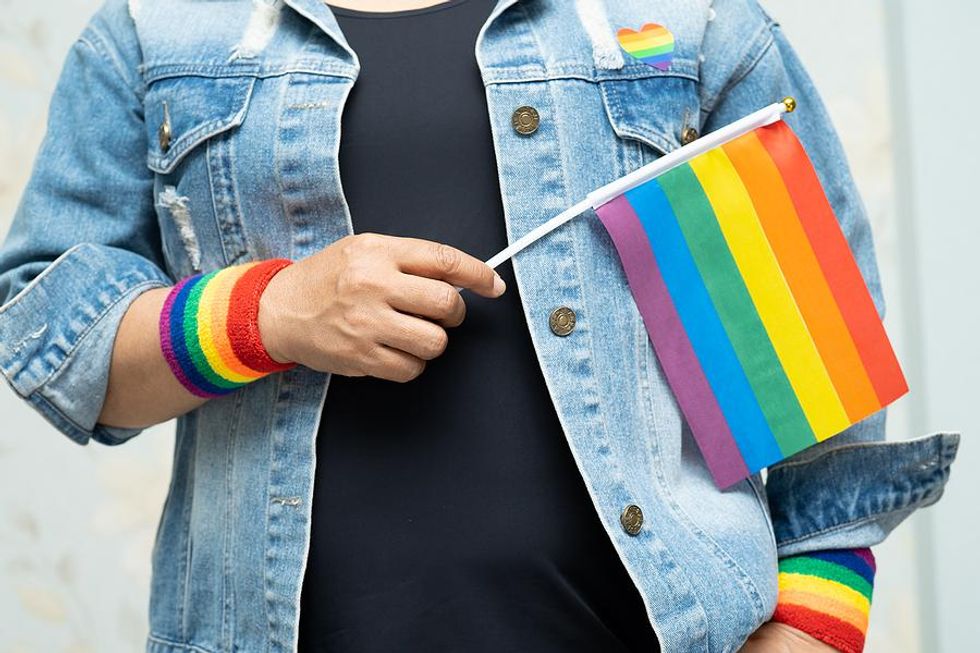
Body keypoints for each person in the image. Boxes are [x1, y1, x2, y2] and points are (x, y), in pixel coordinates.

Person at [0, 0, 958, 651]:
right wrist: (272, 312)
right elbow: (48, 335)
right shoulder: (154, 30)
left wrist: (806, 634)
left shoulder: (685, 21)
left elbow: (822, 423)